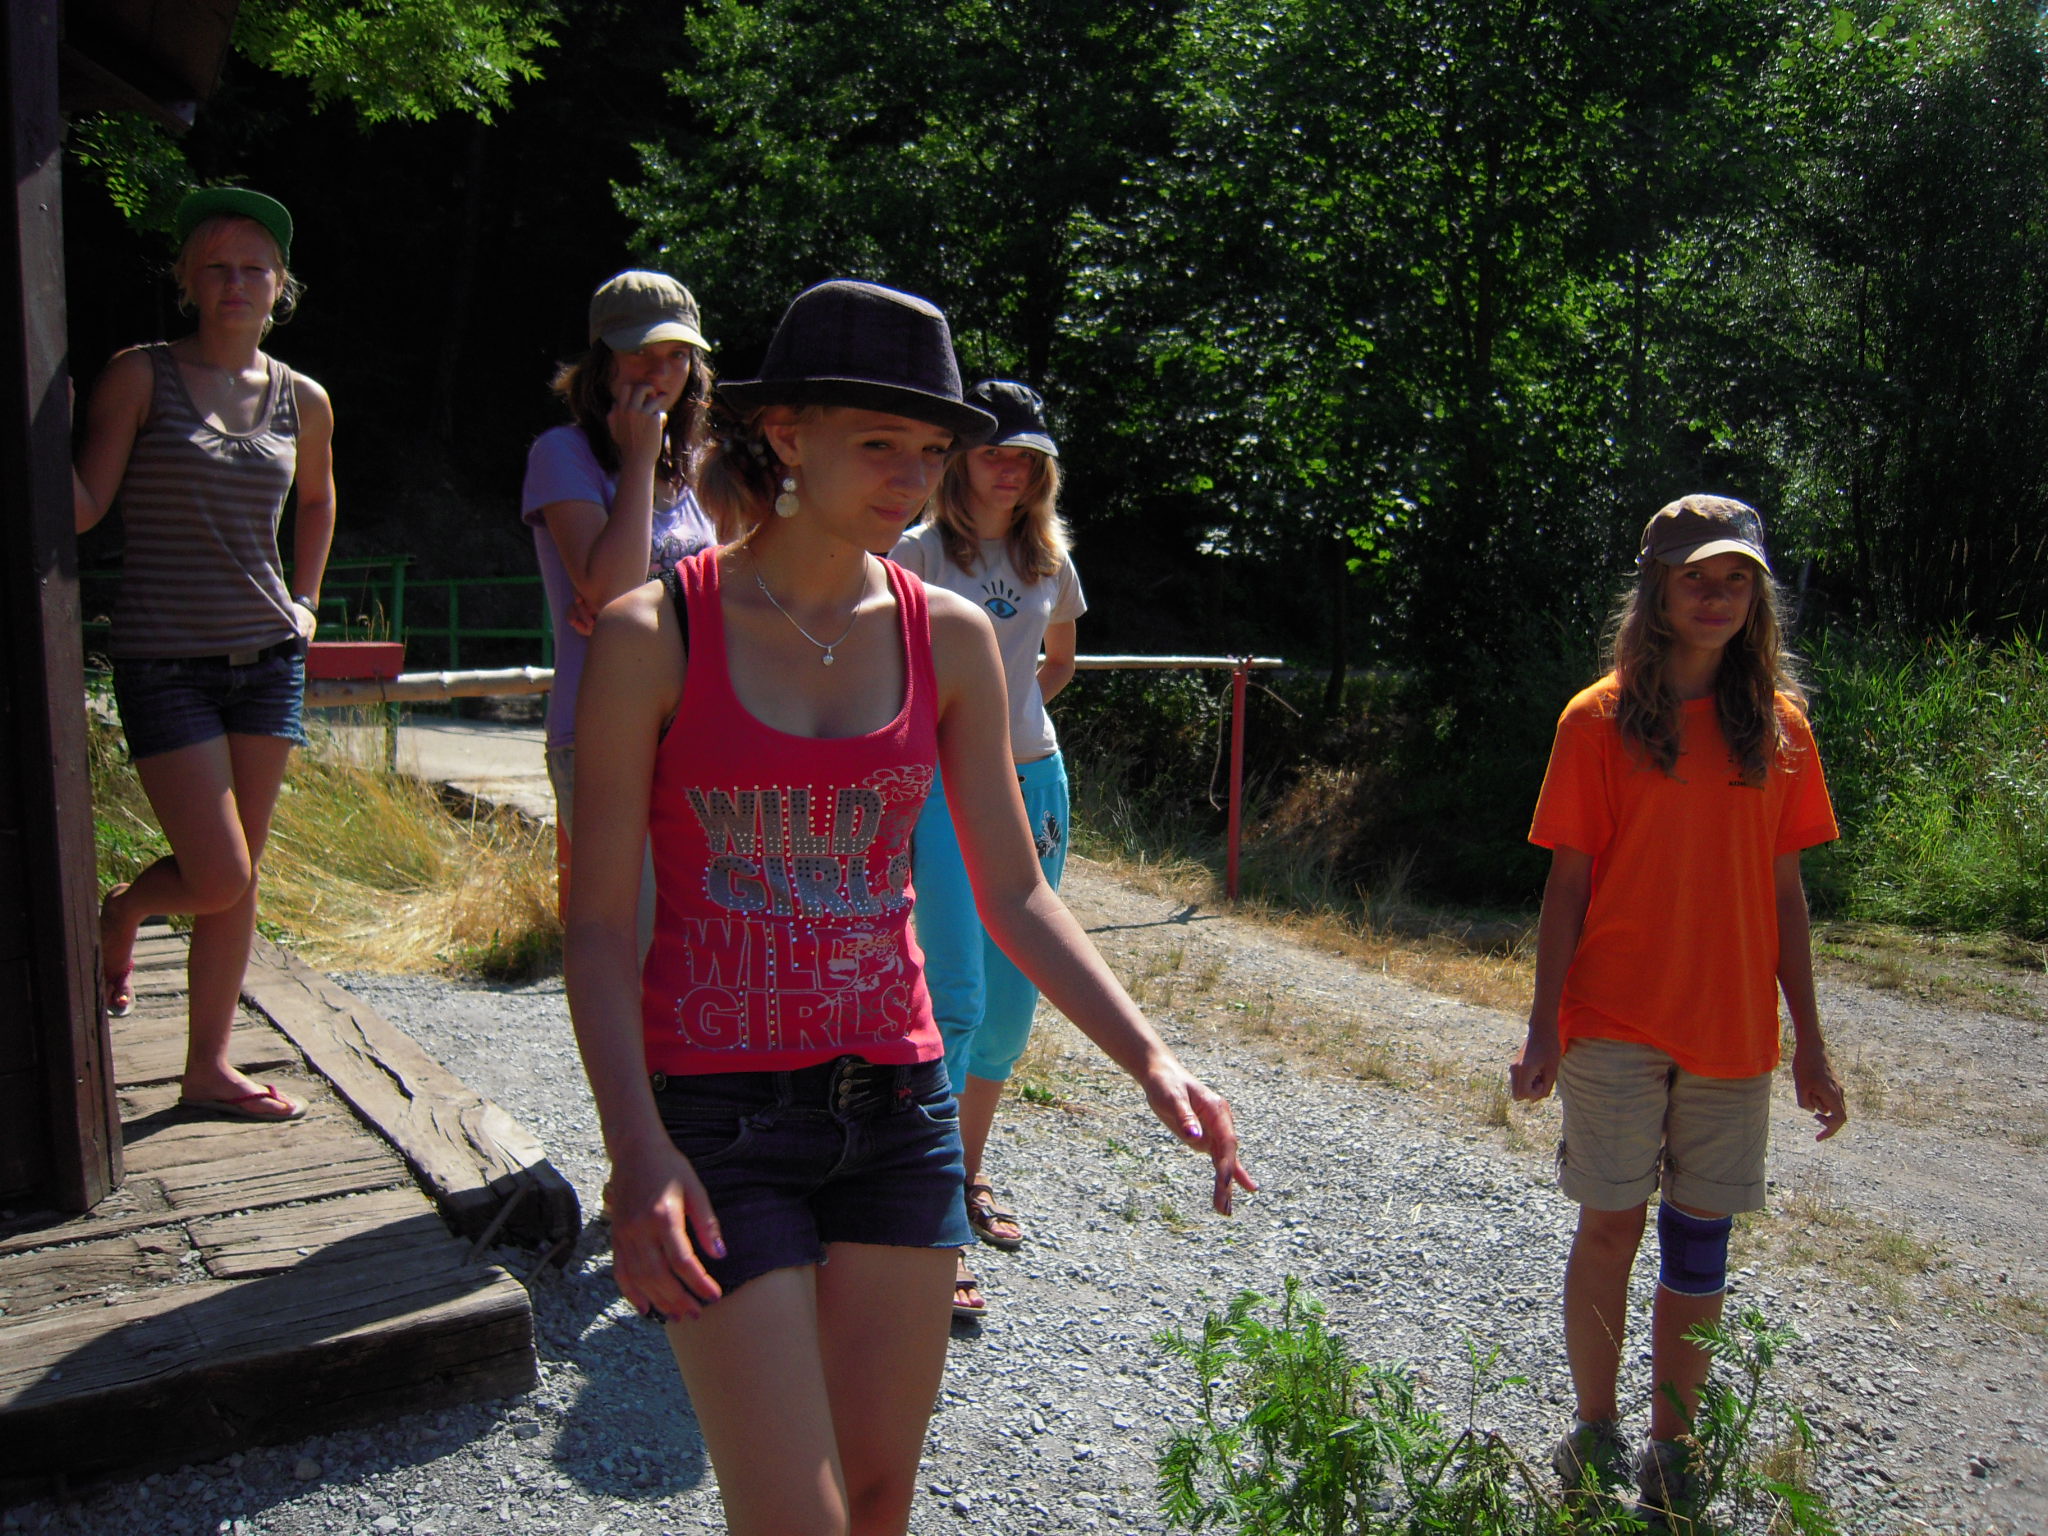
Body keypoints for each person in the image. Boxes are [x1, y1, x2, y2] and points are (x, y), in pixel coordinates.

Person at [563, 279, 1253, 1536]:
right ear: (786, 435)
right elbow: (601, 925)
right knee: (797, 1519)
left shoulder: (949, 636)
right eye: (878, 442)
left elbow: (1014, 888)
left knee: (878, 1498)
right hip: (716, 1117)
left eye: (928, 450)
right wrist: (634, 1148)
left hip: (897, 1106)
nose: (910, 477)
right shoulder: (652, 633)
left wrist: (1151, 1058)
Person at [1508, 496, 1849, 1527]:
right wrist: (1543, 1023)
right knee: (1610, 1225)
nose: (1715, 596)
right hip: (1613, 1020)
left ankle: (1673, 1449)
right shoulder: (1596, 720)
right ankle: (1595, 1427)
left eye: (1735, 579)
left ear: (1756, 600)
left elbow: (1784, 896)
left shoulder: (1779, 729)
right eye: (1695, 576)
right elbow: (1567, 885)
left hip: (1731, 1032)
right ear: (1655, 589)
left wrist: (1811, 1045)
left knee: (1700, 1246)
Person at [73, 186, 336, 1122]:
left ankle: (207, 1068)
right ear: (186, 280)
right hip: (165, 661)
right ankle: (125, 909)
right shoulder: (139, 376)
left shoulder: (303, 398)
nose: (235, 283)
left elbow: (318, 500)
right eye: (216, 267)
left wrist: (306, 602)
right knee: (218, 873)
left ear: (280, 285)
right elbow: (83, 506)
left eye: (253, 268)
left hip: (267, 660)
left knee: (239, 878)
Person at [889, 380, 1083, 1319]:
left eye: (1026, 456)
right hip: (943, 788)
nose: (1010, 469)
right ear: (960, 458)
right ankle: (932, 1219)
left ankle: (966, 1174)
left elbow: (1059, 660)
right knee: (956, 996)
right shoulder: (918, 552)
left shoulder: (1049, 555)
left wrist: (1013, 722)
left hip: (1036, 781)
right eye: (994, 451)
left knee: (1011, 1002)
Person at [523, 270, 718, 934]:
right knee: (630, 936)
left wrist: (651, 605)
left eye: (677, 355)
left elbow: (720, 594)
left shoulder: (700, 466)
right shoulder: (563, 453)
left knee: (698, 938)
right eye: (640, 352)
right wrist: (638, 459)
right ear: (602, 361)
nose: (659, 372)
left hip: (697, 725)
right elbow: (613, 594)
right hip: (601, 729)